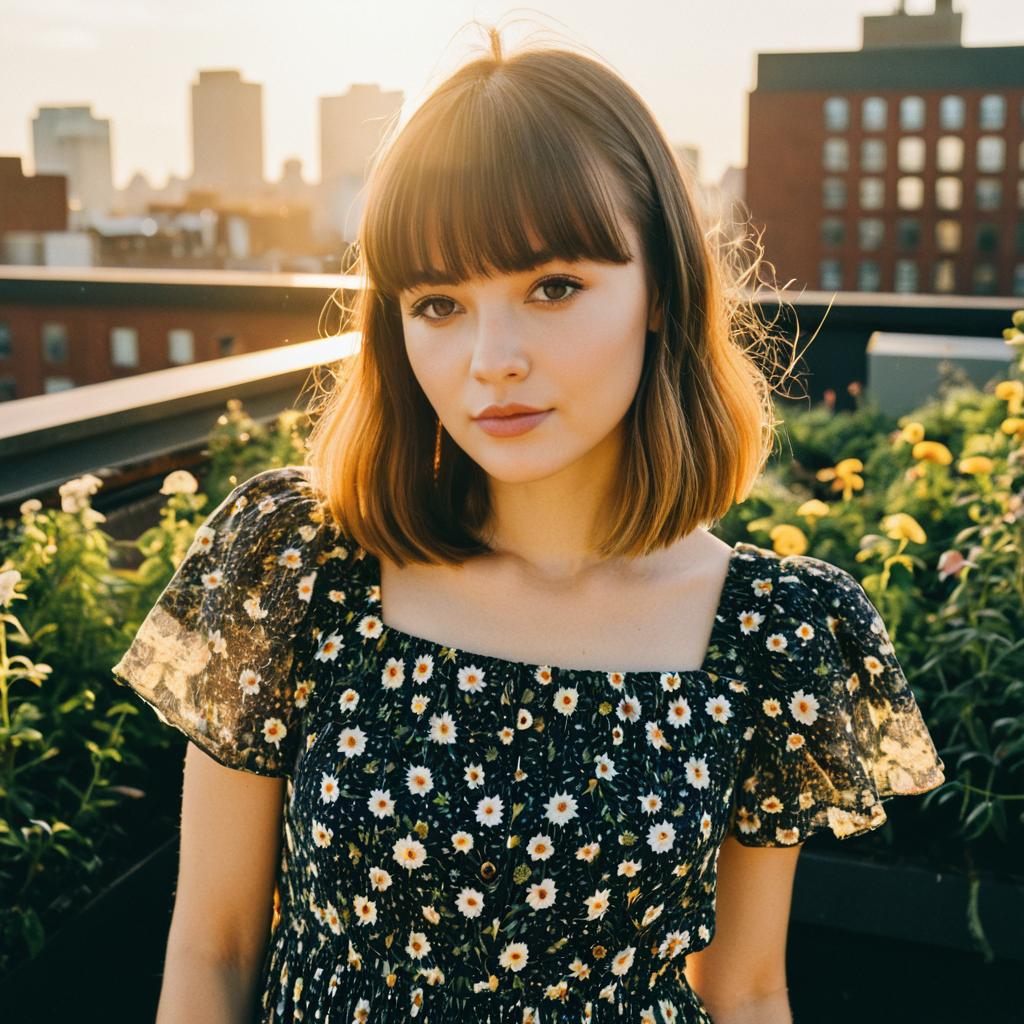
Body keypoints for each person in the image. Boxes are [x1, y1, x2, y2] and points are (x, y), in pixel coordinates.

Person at [111, 25, 946, 1024]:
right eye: (438, 303)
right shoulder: (299, 562)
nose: (491, 358)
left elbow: (746, 986)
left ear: (660, 292)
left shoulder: (773, 633)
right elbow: (215, 945)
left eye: (553, 287)